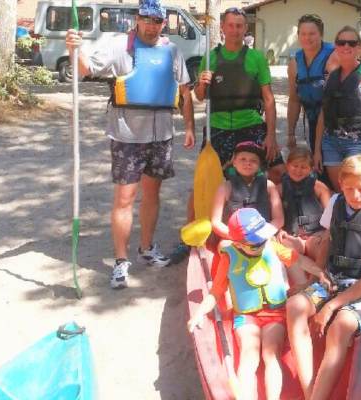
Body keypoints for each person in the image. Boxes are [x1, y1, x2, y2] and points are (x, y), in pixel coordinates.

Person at [65, 0, 195, 289]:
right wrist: (75, 48)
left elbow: (185, 92)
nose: (151, 26)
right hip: (127, 136)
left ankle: (146, 248)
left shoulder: (172, 51)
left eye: (157, 21)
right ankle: (121, 261)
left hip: (161, 135)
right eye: (146, 20)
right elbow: (86, 68)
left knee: (152, 195)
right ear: (138, 19)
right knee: (124, 199)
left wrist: (188, 127)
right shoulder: (118, 45)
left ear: (164, 23)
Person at [187, 208, 332, 400]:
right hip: (246, 317)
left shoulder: (271, 246)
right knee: (249, 356)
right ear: (238, 243)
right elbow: (217, 292)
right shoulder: (229, 257)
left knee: (271, 353)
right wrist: (199, 313)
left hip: (275, 313)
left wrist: (319, 272)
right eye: (256, 243)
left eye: (263, 238)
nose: (262, 244)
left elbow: (300, 260)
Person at [286, 155, 361, 400]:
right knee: (295, 305)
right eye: (349, 189)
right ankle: (309, 389)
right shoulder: (336, 202)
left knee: (340, 326)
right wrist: (317, 274)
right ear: (340, 185)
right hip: (334, 277)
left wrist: (331, 306)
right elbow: (327, 239)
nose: (355, 196)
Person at [194, 6, 284, 183]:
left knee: (279, 172)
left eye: (239, 26)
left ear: (245, 29)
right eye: (231, 25)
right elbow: (199, 96)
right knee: (207, 181)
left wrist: (271, 135)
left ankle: (271, 209)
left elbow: (268, 99)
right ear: (222, 27)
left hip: (251, 125)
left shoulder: (256, 58)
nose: (235, 30)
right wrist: (202, 84)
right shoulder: (209, 57)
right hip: (217, 127)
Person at [313, 26, 361, 192]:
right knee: (342, 191)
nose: (346, 46)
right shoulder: (331, 76)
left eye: (351, 43)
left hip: (358, 143)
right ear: (336, 46)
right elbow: (323, 115)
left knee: (357, 192)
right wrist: (317, 149)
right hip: (331, 142)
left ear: (359, 48)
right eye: (341, 42)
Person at [287, 14, 339, 154]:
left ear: (320, 34)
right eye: (303, 34)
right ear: (298, 36)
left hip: (335, 124)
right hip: (312, 121)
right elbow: (294, 100)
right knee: (318, 168)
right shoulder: (294, 63)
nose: (307, 38)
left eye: (312, 33)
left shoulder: (334, 56)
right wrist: (291, 133)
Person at [210, 141, 284, 240]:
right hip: (233, 238)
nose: (248, 163)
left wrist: (261, 235)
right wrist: (237, 237)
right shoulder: (225, 188)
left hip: (264, 237)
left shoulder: (269, 186)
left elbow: (279, 219)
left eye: (253, 160)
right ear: (234, 162)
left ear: (259, 165)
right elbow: (215, 222)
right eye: (243, 159)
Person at [277, 146, 331, 263]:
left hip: (316, 234)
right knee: (287, 252)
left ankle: (320, 277)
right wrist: (280, 230)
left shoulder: (320, 187)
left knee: (322, 250)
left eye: (303, 167)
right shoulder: (279, 189)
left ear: (311, 169)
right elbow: (274, 215)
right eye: (295, 166)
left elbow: (331, 216)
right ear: (287, 165)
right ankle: (304, 277)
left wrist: (325, 235)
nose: (298, 170)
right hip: (292, 235)